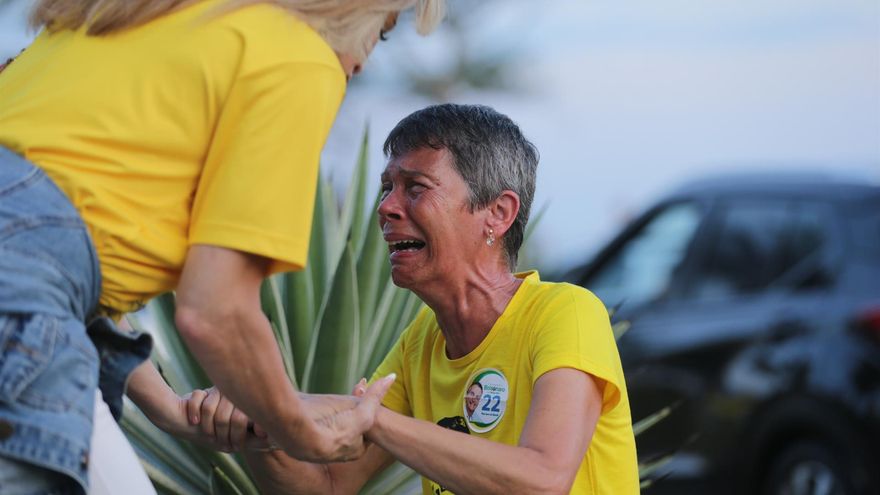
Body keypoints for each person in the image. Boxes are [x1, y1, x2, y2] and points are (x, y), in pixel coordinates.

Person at [0, 1, 444, 493]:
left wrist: (171, 410)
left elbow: (47, 257)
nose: (362, 63)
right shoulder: (297, 58)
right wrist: (298, 432)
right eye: (377, 34)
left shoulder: (129, 15)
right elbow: (215, 311)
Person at [193, 104, 641, 494]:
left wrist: (372, 419)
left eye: (416, 187)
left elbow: (542, 481)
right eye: (387, 187)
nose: (387, 206)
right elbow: (328, 486)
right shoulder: (421, 343)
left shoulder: (566, 313)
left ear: (498, 214)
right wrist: (255, 427)